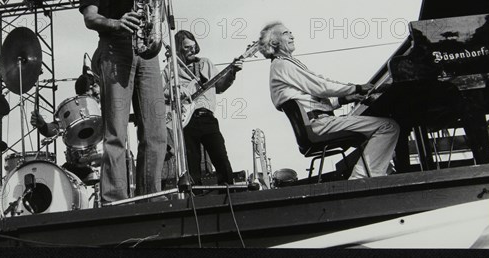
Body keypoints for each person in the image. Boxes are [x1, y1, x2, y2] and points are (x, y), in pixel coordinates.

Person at [79, 0, 167, 203]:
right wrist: (116, 22)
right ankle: (115, 200)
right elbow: (90, 18)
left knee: (155, 131)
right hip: (115, 49)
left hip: (147, 52)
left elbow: (155, 9)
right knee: (116, 132)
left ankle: (150, 197)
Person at [258, 22, 400, 179]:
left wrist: (343, 99)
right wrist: (356, 88)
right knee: (388, 126)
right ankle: (361, 178)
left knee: (373, 131)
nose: (292, 35)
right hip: (319, 125)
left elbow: (312, 102)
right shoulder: (282, 64)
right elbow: (321, 86)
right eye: (285, 33)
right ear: (274, 42)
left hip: (317, 122)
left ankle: (378, 173)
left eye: (291, 32)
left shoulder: (282, 65)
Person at [162, 30, 242, 186]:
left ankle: (229, 194)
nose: (192, 50)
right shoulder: (170, 69)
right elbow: (158, 91)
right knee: (192, 164)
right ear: (178, 49)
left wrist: (232, 72)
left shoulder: (205, 63)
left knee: (221, 158)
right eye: (187, 47)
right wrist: (176, 90)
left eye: (193, 46)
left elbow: (220, 86)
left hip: (206, 117)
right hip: (185, 121)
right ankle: (196, 199)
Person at [30, 73, 101, 182]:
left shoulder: (108, 108)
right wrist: (42, 125)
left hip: (105, 160)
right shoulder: (76, 110)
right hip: (79, 167)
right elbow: (54, 128)